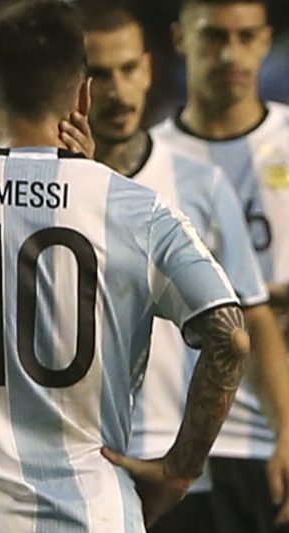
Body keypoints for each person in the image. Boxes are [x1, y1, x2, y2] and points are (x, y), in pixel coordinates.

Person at [0, 0, 250, 531]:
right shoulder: (138, 209)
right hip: (99, 511)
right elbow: (230, 336)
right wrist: (180, 469)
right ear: (83, 96)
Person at [80, 2, 289, 530]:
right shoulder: (40, 188)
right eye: (99, 74)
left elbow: (250, 316)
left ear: (148, 68)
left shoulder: (194, 181)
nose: (117, 90)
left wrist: (287, 428)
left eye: (128, 69)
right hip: (73, 457)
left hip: (197, 447)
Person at [151, 0, 289, 530]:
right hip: (186, 434)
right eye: (213, 37)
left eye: (246, 36)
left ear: (267, 41)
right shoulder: (150, 160)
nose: (230, 54)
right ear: (180, 39)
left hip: (277, 432)